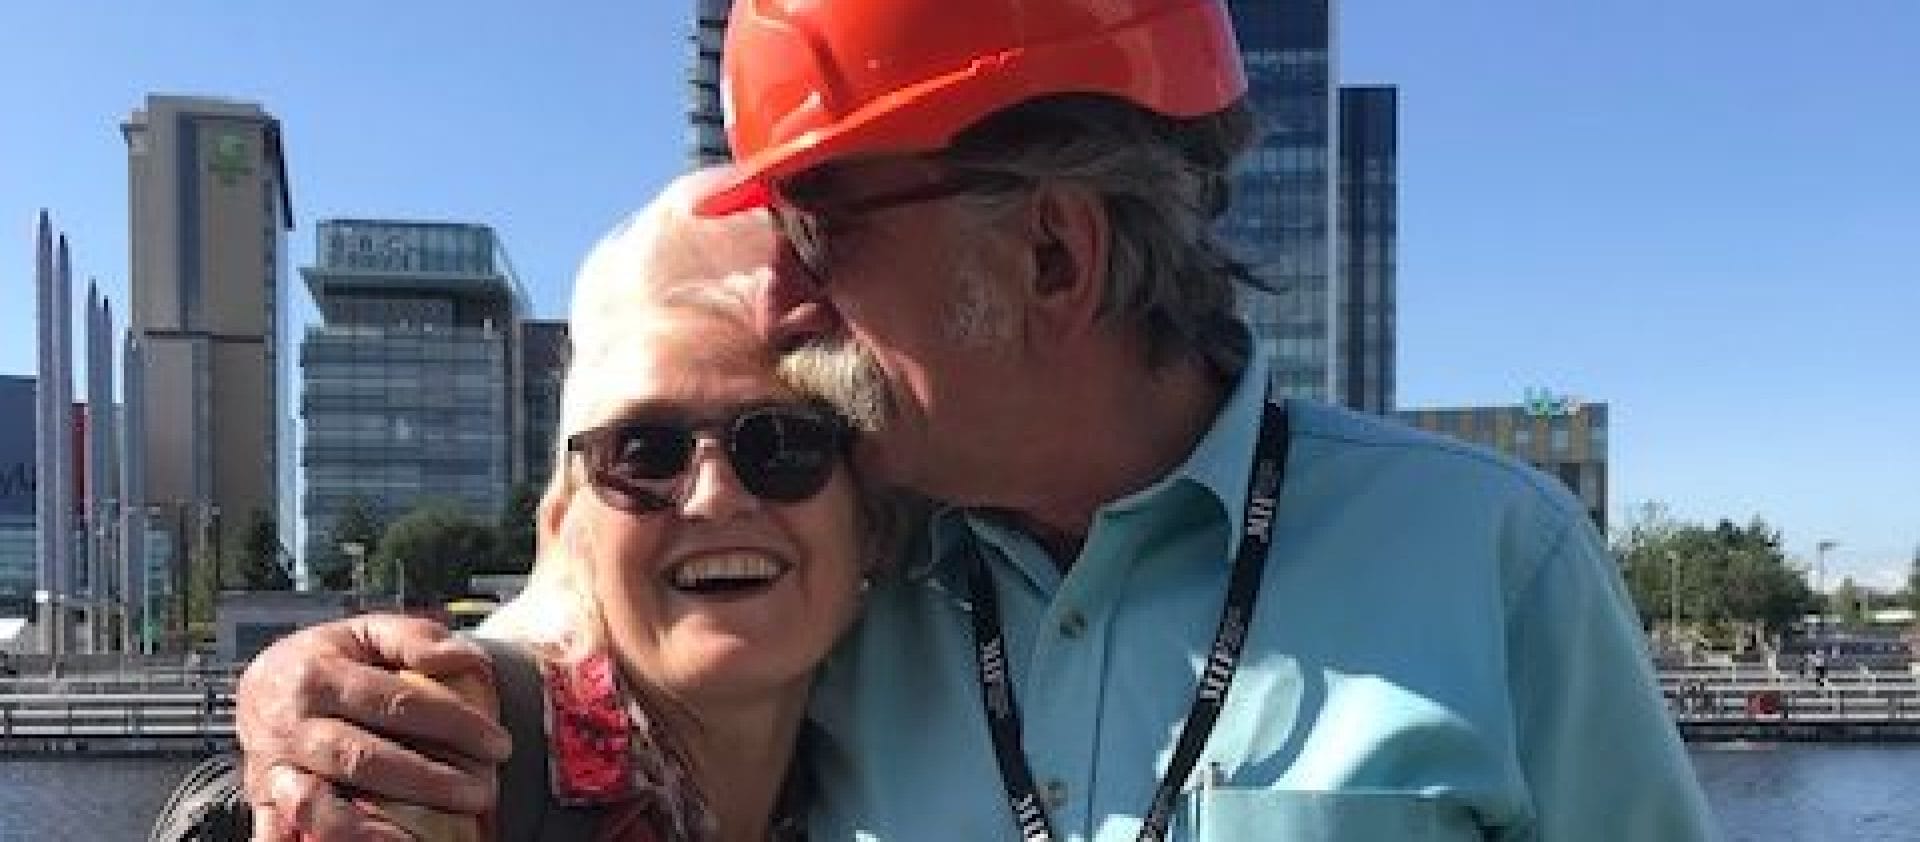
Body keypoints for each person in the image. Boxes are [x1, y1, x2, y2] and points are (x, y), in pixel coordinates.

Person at [239, 0, 1718, 838]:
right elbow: (578, 666)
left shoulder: (1495, 567)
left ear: (1054, 258)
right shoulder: (838, 580)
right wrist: (302, 705)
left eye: (824, 233)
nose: (788, 308)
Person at [237, 172, 902, 840]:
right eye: (643, 450)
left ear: (870, 521)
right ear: (564, 525)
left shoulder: (889, 759)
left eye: (781, 445)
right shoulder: (444, 769)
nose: (715, 495)